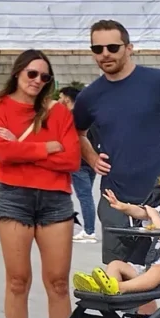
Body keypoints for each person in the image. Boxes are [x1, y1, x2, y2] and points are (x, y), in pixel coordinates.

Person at [0, 49, 87, 318]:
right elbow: (2, 153)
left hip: (55, 199)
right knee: (18, 280)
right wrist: (49, 146)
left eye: (44, 77)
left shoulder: (56, 110)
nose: (37, 81)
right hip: (14, 198)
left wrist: (30, 151)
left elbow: (72, 158)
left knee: (58, 282)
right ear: (18, 73)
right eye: (32, 74)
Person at [72, 19, 160, 265]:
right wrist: (92, 158)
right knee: (121, 269)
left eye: (113, 47)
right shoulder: (89, 96)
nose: (105, 54)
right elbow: (76, 132)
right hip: (116, 197)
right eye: (98, 49)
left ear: (129, 48)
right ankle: (139, 306)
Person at [73, 175, 160, 296]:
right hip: (152, 267)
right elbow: (141, 212)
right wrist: (123, 206)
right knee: (115, 264)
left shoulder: (158, 216)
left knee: (158, 271)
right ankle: (105, 289)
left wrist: (155, 217)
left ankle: (119, 287)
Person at [58, 87, 97, 243]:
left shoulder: (71, 117)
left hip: (79, 162)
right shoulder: (87, 115)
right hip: (90, 161)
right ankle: (89, 229)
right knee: (86, 196)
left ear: (67, 99)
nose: (59, 100)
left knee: (85, 197)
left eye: (60, 97)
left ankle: (89, 231)